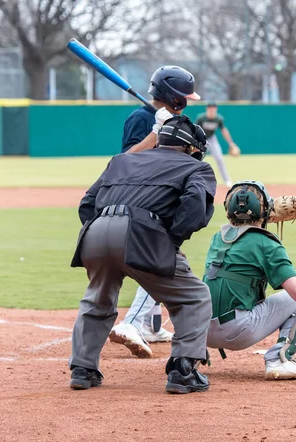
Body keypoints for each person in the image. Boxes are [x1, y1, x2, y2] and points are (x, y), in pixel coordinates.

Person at [68, 115, 217, 394]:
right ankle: (183, 370)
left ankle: (82, 368)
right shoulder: (197, 167)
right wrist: (170, 239)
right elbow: (195, 209)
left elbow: (87, 203)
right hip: (143, 233)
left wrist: (104, 231)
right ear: (191, 148)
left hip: (94, 231)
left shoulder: (122, 160)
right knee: (193, 297)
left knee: (98, 297)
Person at [108, 66, 201, 358]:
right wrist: (155, 132)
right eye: (184, 97)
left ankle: (151, 323)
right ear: (172, 96)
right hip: (138, 202)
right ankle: (132, 322)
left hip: (161, 202)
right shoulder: (142, 118)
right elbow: (124, 162)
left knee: (166, 260)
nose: (187, 102)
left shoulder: (176, 120)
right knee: (161, 261)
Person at [203, 181, 296, 380]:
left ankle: (190, 354)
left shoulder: (218, 238)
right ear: (265, 211)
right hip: (237, 331)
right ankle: (279, 359)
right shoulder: (266, 242)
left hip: (200, 331)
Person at [195, 102, 240, 188]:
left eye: (213, 108)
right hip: (201, 140)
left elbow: (224, 130)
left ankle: (227, 180)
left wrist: (231, 143)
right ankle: (195, 179)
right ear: (207, 109)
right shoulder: (201, 118)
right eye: (210, 108)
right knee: (197, 159)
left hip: (212, 139)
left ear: (216, 109)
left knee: (219, 159)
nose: (211, 110)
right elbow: (195, 129)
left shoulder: (218, 119)